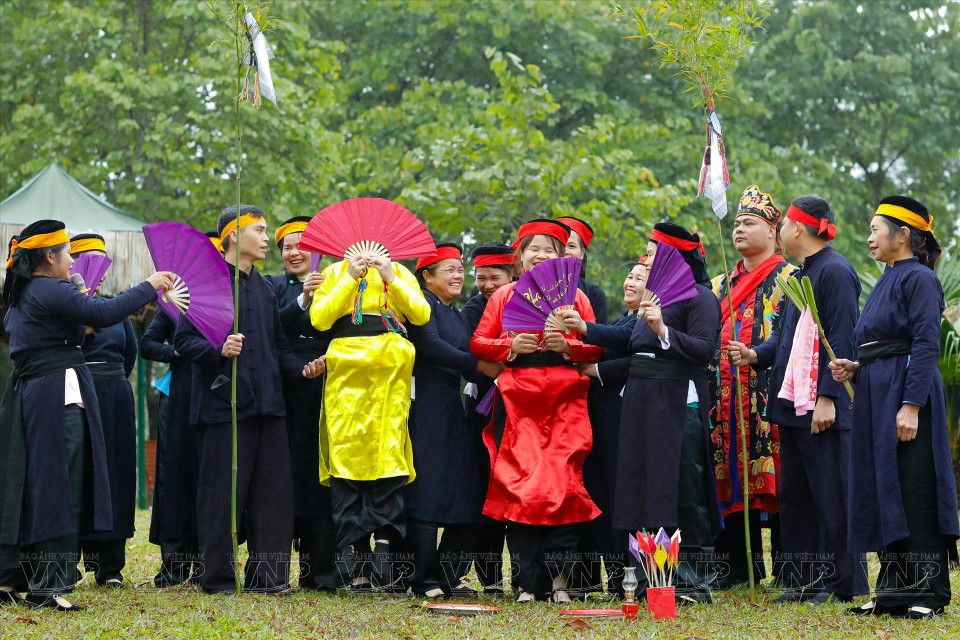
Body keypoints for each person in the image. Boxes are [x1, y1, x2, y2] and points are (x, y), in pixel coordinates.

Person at [0, 220, 172, 610]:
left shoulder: (24, 294)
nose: (73, 261)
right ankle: (49, 586)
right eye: (68, 254)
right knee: (62, 486)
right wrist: (150, 285)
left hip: (29, 394)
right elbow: (106, 311)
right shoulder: (51, 288)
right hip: (55, 397)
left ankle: (12, 578)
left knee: (25, 484)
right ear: (50, 257)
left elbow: (76, 328)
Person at [175, 205, 326, 595]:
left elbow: (277, 345)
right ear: (233, 237)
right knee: (221, 498)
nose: (265, 238)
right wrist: (219, 348)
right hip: (223, 407)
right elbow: (184, 341)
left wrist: (301, 369)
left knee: (273, 495)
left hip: (269, 405)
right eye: (259, 230)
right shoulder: (207, 283)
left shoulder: (262, 287)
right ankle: (219, 579)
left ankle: (269, 578)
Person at [728, 195, 868, 603]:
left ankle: (845, 584)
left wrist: (828, 397)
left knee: (833, 496)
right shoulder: (802, 272)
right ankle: (805, 581)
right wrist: (755, 354)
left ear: (799, 229)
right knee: (798, 498)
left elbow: (842, 338)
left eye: (784, 223)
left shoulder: (836, 272)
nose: (781, 230)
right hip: (792, 406)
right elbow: (786, 338)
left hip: (821, 407)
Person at [832, 196, 959, 619]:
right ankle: (892, 591)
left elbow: (924, 344)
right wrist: (856, 364)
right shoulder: (887, 277)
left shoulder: (919, 278)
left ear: (902, 235)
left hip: (905, 394)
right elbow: (881, 342)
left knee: (914, 485)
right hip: (875, 392)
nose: (869, 238)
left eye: (874, 229)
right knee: (885, 486)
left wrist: (911, 404)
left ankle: (928, 590)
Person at [581, 222, 721, 605]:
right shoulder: (654, 295)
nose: (648, 257)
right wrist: (585, 329)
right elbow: (630, 341)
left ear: (674, 256)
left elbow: (705, 349)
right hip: (640, 401)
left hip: (678, 400)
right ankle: (647, 580)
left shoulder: (701, 297)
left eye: (654, 251)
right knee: (640, 487)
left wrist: (662, 329)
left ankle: (691, 583)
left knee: (681, 490)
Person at [470, 219, 603, 603]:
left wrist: (570, 347)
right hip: (519, 400)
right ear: (520, 256)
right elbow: (478, 342)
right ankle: (528, 584)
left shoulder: (576, 298)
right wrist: (511, 348)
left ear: (562, 257)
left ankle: (560, 583)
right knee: (522, 488)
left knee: (565, 488)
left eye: (550, 249)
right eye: (534, 249)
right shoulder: (504, 296)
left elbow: (596, 347)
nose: (541, 255)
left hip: (566, 400)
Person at [308, 231, 431, 592]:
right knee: (348, 456)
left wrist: (390, 274)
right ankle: (355, 557)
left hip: (390, 367)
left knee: (388, 455)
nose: (368, 249)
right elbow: (320, 319)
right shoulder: (334, 272)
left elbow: (420, 315)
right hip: (346, 367)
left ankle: (385, 545)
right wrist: (349, 276)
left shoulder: (399, 271)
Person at [403, 244, 503, 597]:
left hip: (451, 404)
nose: (458, 275)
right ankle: (422, 578)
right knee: (428, 488)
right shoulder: (420, 306)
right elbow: (429, 345)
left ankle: (448, 575)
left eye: (460, 269)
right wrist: (476, 366)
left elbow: (475, 356)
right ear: (426, 277)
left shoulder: (457, 314)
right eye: (449, 269)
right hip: (424, 401)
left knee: (465, 491)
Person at [709, 186, 793, 589]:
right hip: (725, 400)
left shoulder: (791, 278)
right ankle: (737, 569)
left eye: (750, 223)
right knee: (728, 475)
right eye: (737, 223)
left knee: (779, 479)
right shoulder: (718, 284)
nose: (739, 229)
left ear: (774, 231)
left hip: (769, 394)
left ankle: (789, 568)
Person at [263, 216, 348, 592]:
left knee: (321, 476)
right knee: (282, 476)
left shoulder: (340, 282)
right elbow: (269, 329)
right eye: (287, 247)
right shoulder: (269, 287)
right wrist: (303, 299)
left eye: (303, 245)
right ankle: (274, 570)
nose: (295, 252)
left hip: (327, 384)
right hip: (283, 386)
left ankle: (321, 572)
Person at [562, 257, 649, 598]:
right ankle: (597, 576)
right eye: (629, 275)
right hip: (600, 416)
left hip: (623, 417)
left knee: (619, 494)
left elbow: (623, 346)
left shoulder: (643, 322)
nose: (630, 282)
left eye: (640, 279)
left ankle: (624, 577)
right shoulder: (622, 318)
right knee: (598, 490)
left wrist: (585, 332)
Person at [67, 234, 139, 589]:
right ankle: (70, 561)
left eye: (102, 260)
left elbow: (130, 356)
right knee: (81, 475)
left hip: (115, 399)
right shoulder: (64, 309)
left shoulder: (118, 308)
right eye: (87, 259)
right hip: (78, 395)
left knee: (116, 475)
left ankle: (110, 567)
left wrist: (112, 383)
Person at [460, 242, 517, 596]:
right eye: (480, 277)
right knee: (487, 492)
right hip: (484, 409)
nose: (486, 284)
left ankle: (529, 576)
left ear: (513, 275)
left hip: (525, 408)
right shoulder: (473, 308)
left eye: (494, 277)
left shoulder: (530, 303)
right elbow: (471, 357)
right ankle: (490, 577)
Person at [140, 305, 202, 587]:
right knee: (174, 477)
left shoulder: (228, 298)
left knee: (209, 479)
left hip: (216, 395)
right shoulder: (173, 303)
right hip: (177, 397)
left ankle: (208, 566)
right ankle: (174, 568)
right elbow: (147, 344)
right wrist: (174, 353)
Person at [557, 216, 608, 324]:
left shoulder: (594, 294)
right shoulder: (530, 288)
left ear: (582, 253)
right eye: (560, 245)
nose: (565, 251)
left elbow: (599, 337)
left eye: (571, 246)